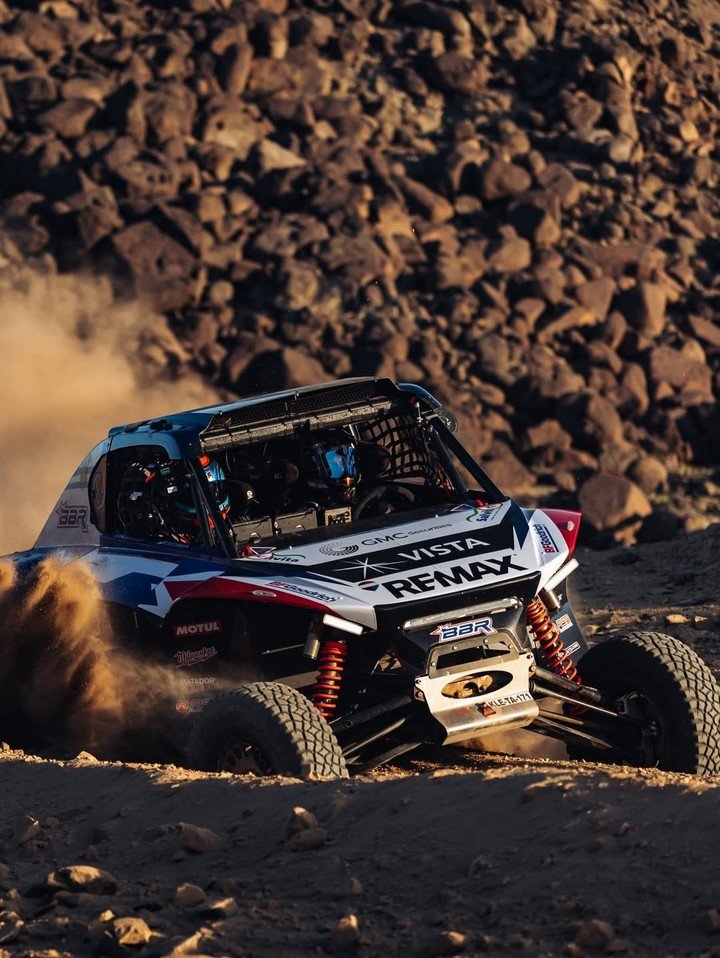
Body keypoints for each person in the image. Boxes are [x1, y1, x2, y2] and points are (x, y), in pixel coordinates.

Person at [117, 455, 230, 544]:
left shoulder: (233, 523)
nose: (207, 502)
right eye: (190, 496)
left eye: (212, 492)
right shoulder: (160, 543)